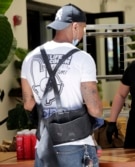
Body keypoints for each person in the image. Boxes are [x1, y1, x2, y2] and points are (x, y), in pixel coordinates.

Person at [21, 3, 103, 167]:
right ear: (74, 26)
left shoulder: (30, 58)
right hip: (77, 144)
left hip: (45, 147)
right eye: (83, 28)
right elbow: (95, 108)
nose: (82, 33)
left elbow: (29, 104)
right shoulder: (83, 58)